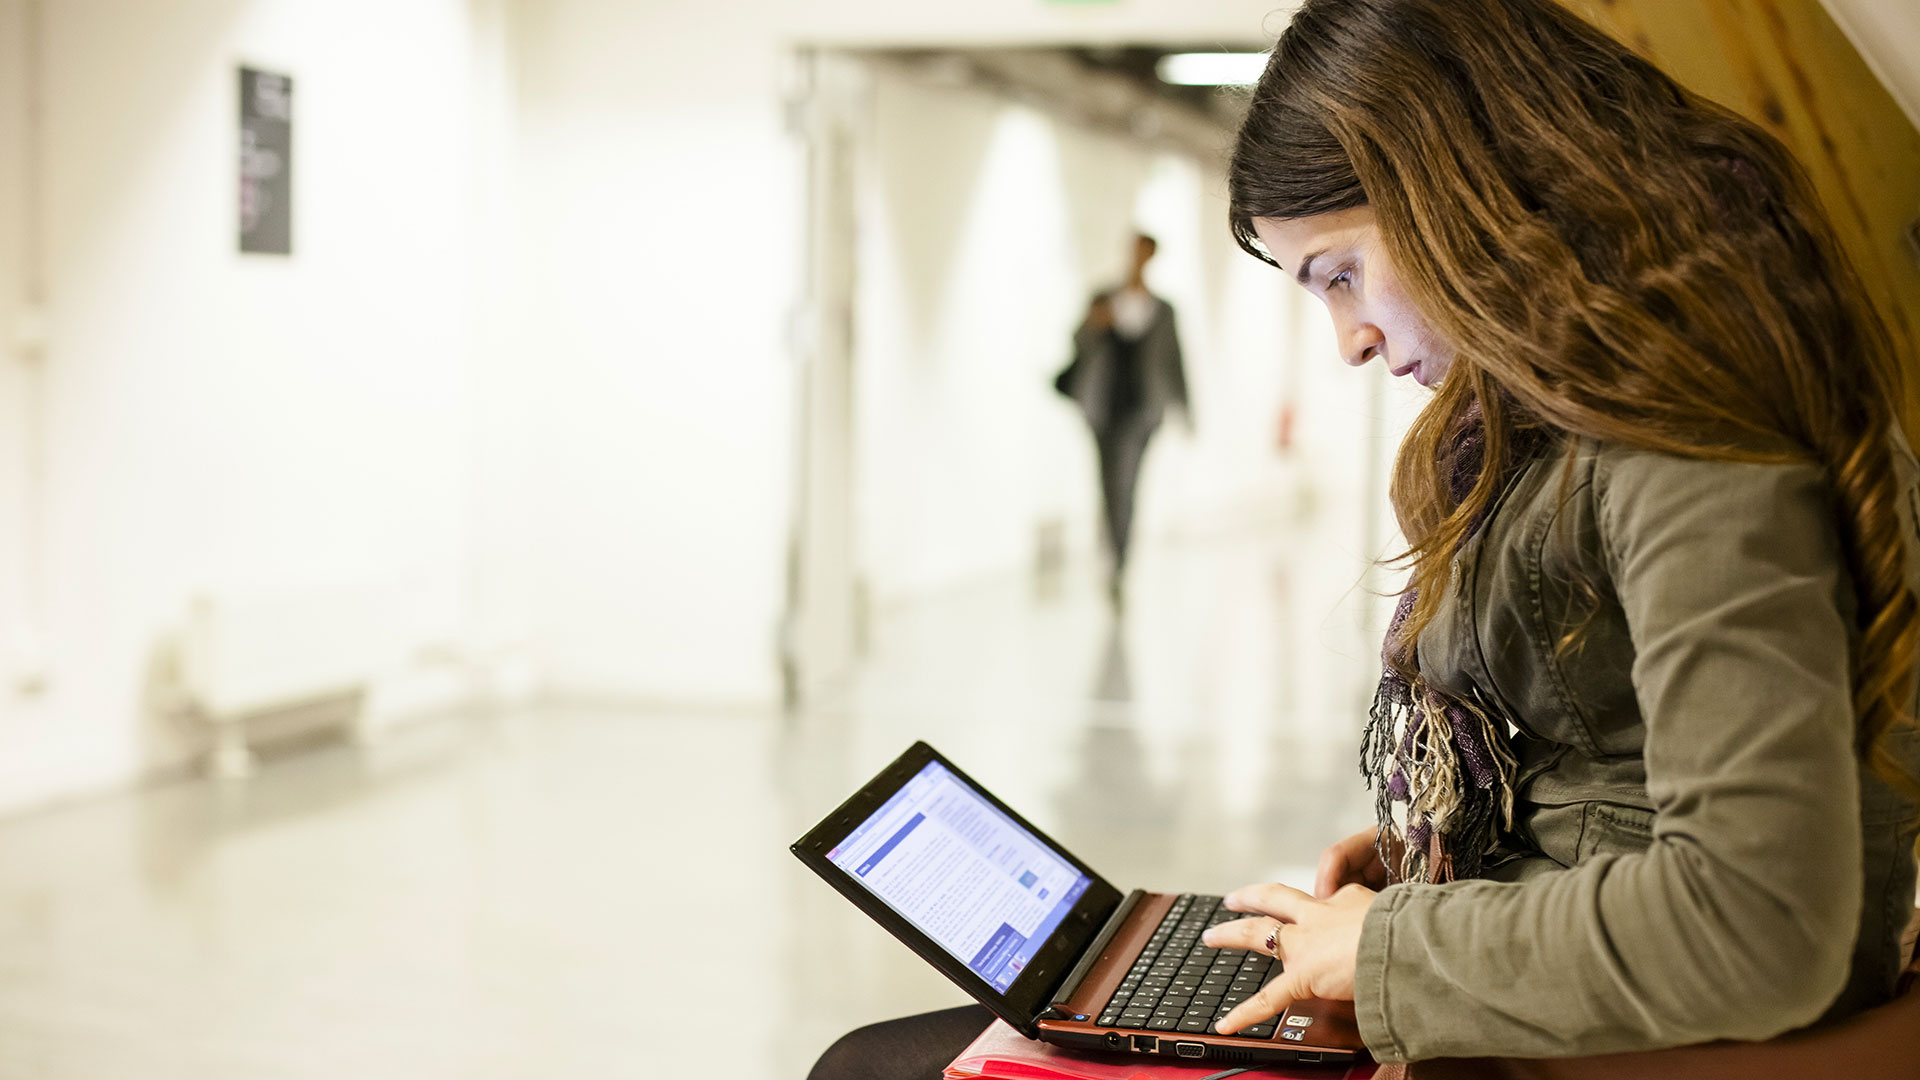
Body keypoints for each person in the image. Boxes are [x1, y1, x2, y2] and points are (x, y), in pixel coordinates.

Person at [808, 0, 1920, 1073]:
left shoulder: (1684, 434)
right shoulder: (1577, 411)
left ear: (1466, 193)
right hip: (1544, 979)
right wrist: (1436, 849)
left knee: (874, 1067)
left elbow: (1759, 915)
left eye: (1341, 274)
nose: (1349, 340)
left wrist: (1388, 951)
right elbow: (1611, 760)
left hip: (1639, 1038)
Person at [1054, 233, 1191, 604]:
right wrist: (1095, 324)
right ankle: (1113, 553)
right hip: (1102, 407)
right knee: (1107, 482)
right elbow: (1078, 343)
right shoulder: (1103, 298)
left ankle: (1119, 563)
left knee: (1127, 483)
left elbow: (1175, 361)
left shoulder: (1162, 310)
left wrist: (1185, 409)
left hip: (1141, 411)